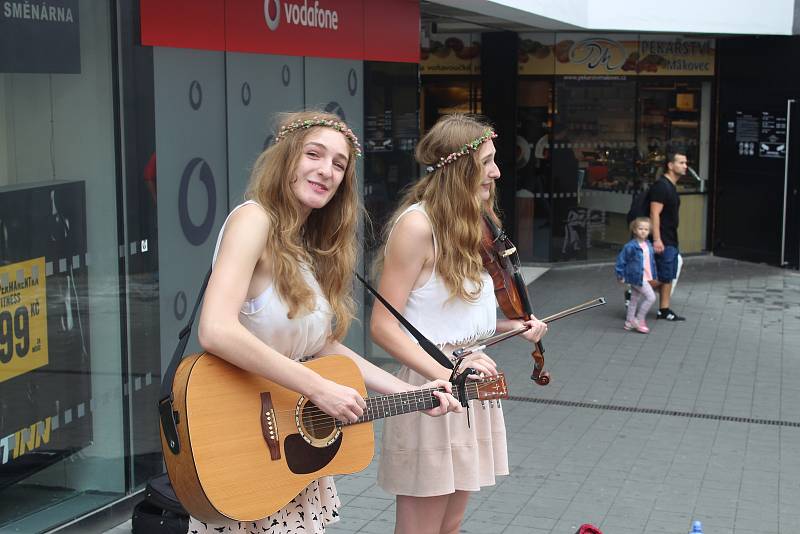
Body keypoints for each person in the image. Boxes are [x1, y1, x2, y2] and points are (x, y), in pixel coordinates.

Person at [193, 111, 461, 534]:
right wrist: (318, 387)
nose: (327, 171)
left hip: (286, 441)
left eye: (339, 164)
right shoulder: (254, 219)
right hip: (244, 437)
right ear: (285, 159)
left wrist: (413, 392)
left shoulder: (305, 244)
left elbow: (323, 346)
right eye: (313, 155)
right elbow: (215, 329)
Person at [369, 114, 548, 534]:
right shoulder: (417, 225)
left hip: (472, 380)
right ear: (458, 166)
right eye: (487, 161)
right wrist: (447, 371)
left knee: (450, 525)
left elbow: (452, 319)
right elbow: (383, 326)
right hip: (432, 387)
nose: (496, 172)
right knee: (420, 529)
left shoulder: (477, 223)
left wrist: (509, 328)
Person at [649, 151, 686, 321]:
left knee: (669, 275)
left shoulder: (670, 186)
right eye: (681, 163)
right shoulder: (661, 186)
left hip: (671, 236)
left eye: (685, 163)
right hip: (663, 238)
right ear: (670, 165)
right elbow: (654, 213)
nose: (685, 166)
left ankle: (664, 310)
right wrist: (657, 239)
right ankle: (634, 290)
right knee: (664, 276)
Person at [615, 217, 658, 334]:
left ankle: (629, 322)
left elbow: (650, 261)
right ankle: (639, 320)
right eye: (640, 228)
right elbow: (621, 261)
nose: (643, 231)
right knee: (651, 297)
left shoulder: (648, 244)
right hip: (637, 278)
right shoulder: (630, 246)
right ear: (634, 230)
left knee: (634, 300)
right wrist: (620, 275)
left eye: (646, 229)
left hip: (644, 276)